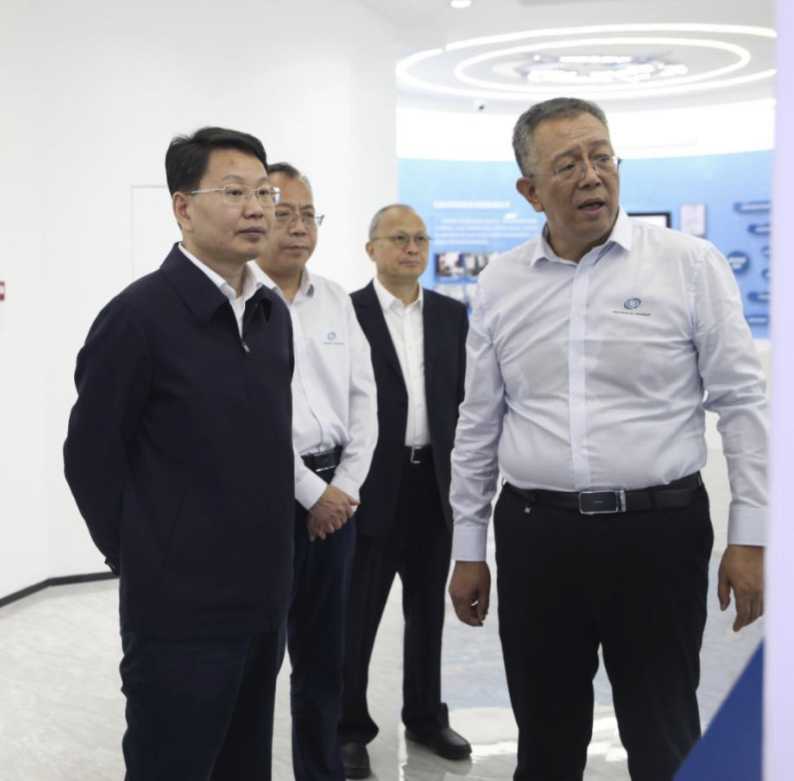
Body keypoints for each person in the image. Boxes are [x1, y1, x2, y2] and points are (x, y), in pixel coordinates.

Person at [447, 97, 767, 781]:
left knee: (663, 736)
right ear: (530, 191)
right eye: (567, 164)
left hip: (658, 536)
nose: (591, 176)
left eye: (602, 157)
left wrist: (751, 537)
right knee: (545, 744)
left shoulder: (688, 264)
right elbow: (478, 422)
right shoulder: (501, 282)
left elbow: (743, 403)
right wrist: (468, 549)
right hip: (538, 538)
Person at [63, 127, 295, 781]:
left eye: (264, 192)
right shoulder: (137, 317)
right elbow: (90, 459)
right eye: (234, 192)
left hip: (264, 602)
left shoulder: (271, 313)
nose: (256, 208)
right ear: (183, 207)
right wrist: (146, 553)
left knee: (244, 767)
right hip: (179, 611)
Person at [251, 163, 378, 781]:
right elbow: (247, 419)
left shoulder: (334, 299)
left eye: (308, 214)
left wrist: (344, 490)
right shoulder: (238, 301)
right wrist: (311, 493)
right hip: (266, 502)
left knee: (325, 661)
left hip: (337, 506)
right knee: (256, 661)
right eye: (284, 213)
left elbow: (365, 402)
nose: (299, 227)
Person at [339, 204, 471, 778]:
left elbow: (465, 398)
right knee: (357, 615)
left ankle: (425, 716)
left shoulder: (451, 315)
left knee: (427, 612)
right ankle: (348, 727)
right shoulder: (347, 312)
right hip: (370, 485)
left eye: (420, 238)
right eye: (398, 238)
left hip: (434, 482)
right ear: (372, 249)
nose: (412, 247)